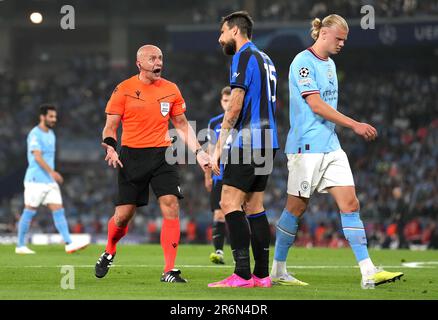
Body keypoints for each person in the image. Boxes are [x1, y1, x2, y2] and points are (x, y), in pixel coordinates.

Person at [270, 14, 404, 289]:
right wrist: (354, 124)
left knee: (351, 203)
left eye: (345, 39)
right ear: (323, 34)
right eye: (339, 38)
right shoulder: (302, 62)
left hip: (330, 145)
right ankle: (278, 269)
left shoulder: (330, 64)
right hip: (305, 146)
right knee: (296, 208)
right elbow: (317, 106)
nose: (342, 44)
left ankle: (368, 272)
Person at [94, 45, 210, 283]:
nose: (158, 62)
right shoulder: (124, 89)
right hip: (131, 157)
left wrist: (198, 152)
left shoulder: (171, 89)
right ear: (139, 63)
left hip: (162, 154)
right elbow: (110, 126)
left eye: (160, 58)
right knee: (123, 216)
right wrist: (110, 145)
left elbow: (180, 123)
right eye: (152, 59)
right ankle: (109, 250)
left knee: (171, 204)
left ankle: (169, 270)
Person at [208, 11, 278, 288]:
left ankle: (241, 274)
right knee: (255, 206)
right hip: (268, 140)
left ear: (235, 31)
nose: (220, 38)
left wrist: (218, 147)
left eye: (223, 32)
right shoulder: (266, 59)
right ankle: (262, 275)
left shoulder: (244, 56)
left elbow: (235, 104)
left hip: (247, 141)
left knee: (228, 203)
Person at [16, 104, 90, 254]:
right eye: (51, 116)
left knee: (58, 209)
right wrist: (53, 172)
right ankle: (20, 245)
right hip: (35, 179)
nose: (54, 119)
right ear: (42, 117)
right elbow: (37, 157)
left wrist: (51, 174)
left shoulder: (51, 134)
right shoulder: (35, 134)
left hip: (49, 181)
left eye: (55, 116)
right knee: (30, 210)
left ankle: (68, 242)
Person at [204, 86, 231, 264]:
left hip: (239, 172)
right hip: (219, 175)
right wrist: (207, 176)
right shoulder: (215, 123)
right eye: (224, 100)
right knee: (219, 214)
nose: (226, 104)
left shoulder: (242, 119)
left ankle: (242, 251)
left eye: (229, 100)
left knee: (241, 213)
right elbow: (210, 149)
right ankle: (219, 251)